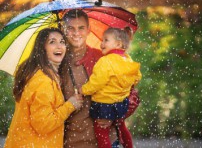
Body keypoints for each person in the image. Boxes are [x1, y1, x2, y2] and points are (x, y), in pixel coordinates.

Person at [4, 28, 83, 147]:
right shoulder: (43, 81)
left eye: (62, 42)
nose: (59, 46)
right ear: (42, 48)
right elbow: (43, 124)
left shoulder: (43, 74)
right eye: (52, 42)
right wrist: (70, 105)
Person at [62, 9, 120, 148]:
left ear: (88, 30)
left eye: (81, 28)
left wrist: (113, 114)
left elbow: (129, 94)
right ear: (63, 30)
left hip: (105, 141)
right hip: (70, 143)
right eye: (71, 28)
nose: (76, 33)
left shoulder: (103, 58)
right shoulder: (56, 62)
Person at [80, 27, 142, 148]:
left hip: (104, 104)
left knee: (101, 132)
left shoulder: (105, 61)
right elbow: (137, 77)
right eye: (102, 40)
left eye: (106, 40)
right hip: (121, 103)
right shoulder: (127, 59)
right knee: (121, 127)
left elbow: (96, 83)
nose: (102, 44)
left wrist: (84, 90)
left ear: (118, 44)